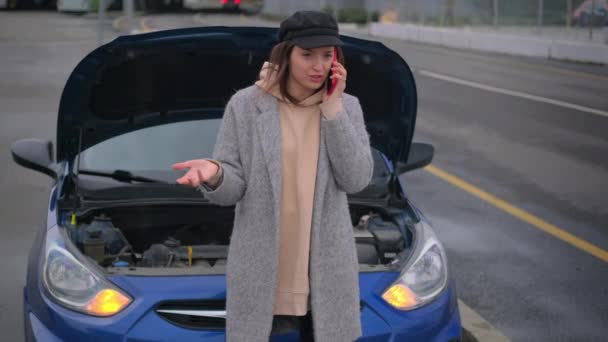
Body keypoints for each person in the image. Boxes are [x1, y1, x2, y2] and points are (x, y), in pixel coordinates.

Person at [171, 10, 373, 342]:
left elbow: (356, 179)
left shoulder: (346, 107)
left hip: (325, 278)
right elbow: (231, 191)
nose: (318, 65)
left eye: (327, 55)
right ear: (285, 54)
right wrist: (216, 174)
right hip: (263, 275)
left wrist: (333, 110)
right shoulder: (247, 106)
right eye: (307, 55)